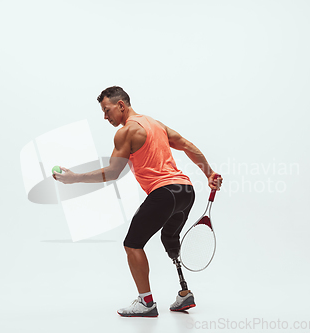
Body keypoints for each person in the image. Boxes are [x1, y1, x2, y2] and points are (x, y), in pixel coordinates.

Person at [53, 86, 222, 317]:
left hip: (164, 192)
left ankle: (146, 303)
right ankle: (185, 293)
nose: (105, 116)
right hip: (185, 191)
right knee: (169, 237)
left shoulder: (126, 131)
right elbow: (185, 144)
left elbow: (112, 173)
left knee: (132, 244)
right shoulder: (154, 123)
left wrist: (74, 179)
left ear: (121, 105)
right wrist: (209, 173)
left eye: (107, 110)